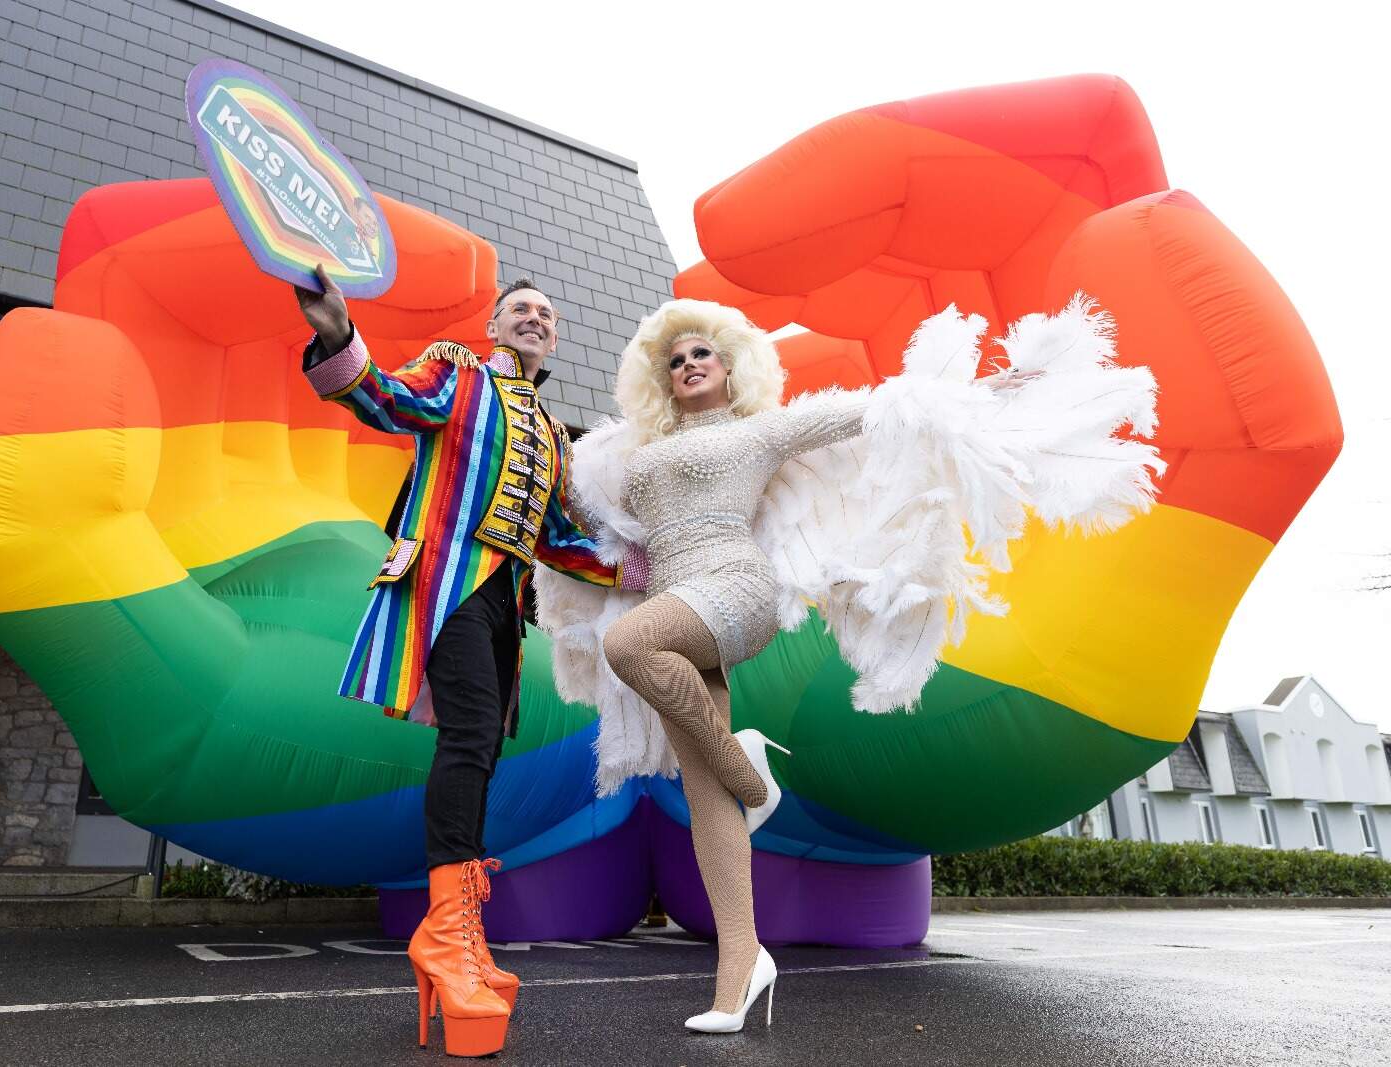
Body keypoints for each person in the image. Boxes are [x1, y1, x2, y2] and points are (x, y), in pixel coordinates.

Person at [534, 296, 1163, 1034]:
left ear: (731, 366)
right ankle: (740, 968)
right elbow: (595, 526)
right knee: (705, 798)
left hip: (734, 589)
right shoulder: (635, 455)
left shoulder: (763, 430)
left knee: (628, 646)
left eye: (701, 352)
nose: (688, 364)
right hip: (675, 595)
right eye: (674, 360)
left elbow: (875, 412)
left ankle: (747, 771)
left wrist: (991, 390)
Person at [294, 268, 646, 1057]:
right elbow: (384, 398)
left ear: (554, 338)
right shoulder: (457, 372)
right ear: (496, 323)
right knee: (470, 733)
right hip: (448, 575)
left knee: (482, 743)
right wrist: (335, 333)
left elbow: (557, 537)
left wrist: (640, 570)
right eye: (520, 307)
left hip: (502, 601)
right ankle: (445, 934)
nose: (534, 317)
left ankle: (459, 926)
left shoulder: (555, 436)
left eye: (546, 313)